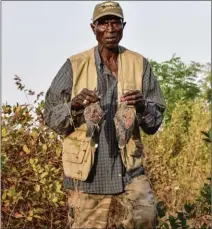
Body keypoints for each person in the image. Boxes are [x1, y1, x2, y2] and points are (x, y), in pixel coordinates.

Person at [43, 1, 166, 228]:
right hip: (87, 173)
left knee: (147, 217)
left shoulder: (139, 64)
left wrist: (142, 107)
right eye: (103, 23)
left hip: (129, 169)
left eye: (115, 22)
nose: (110, 28)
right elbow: (50, 114)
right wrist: (74, 105)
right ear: (93, 28)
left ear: (123, 26)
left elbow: (154, 121)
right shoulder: (75, 65)